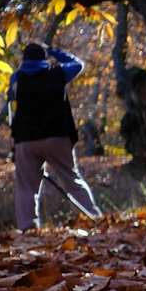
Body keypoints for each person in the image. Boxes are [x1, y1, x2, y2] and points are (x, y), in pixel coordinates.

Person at [9, 42, 103, 231]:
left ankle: (28, 228)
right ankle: (93, 218)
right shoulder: (57, 74)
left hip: (26, 141)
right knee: (71, 180)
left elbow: (12, 105)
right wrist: (54, 52)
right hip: (57, 138)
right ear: (44, 59)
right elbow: (78, 64)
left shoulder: (16, 78)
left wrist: (14, 142)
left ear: (24, 59)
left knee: (26, 187)